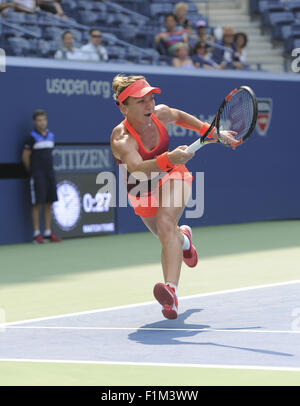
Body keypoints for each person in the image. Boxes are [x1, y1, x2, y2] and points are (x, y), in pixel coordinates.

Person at [110, 75, 239, 319]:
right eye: (141, 101)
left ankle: (171, 294)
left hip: (172, 175)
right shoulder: (121, 138)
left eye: (151, 98)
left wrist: (208, 131)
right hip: (140, 189)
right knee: (169, 236)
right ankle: (185, 240)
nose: (150, 105)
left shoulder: (161, 114)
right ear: (124, 107)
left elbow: (179, 116)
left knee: (165, 224)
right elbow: (137, 167)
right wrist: (168, 158)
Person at [22, 109, 62, 244]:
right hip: (37, 174)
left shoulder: (51, 135)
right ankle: (36, 234)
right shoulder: (31, 137)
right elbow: (25, 157)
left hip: (49, 173)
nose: (42, 122)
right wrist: (33, 171)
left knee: (49, 203)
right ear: (35, 122)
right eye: (39, 120)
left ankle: (47, 232)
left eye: (44, 119)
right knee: (37, 204)